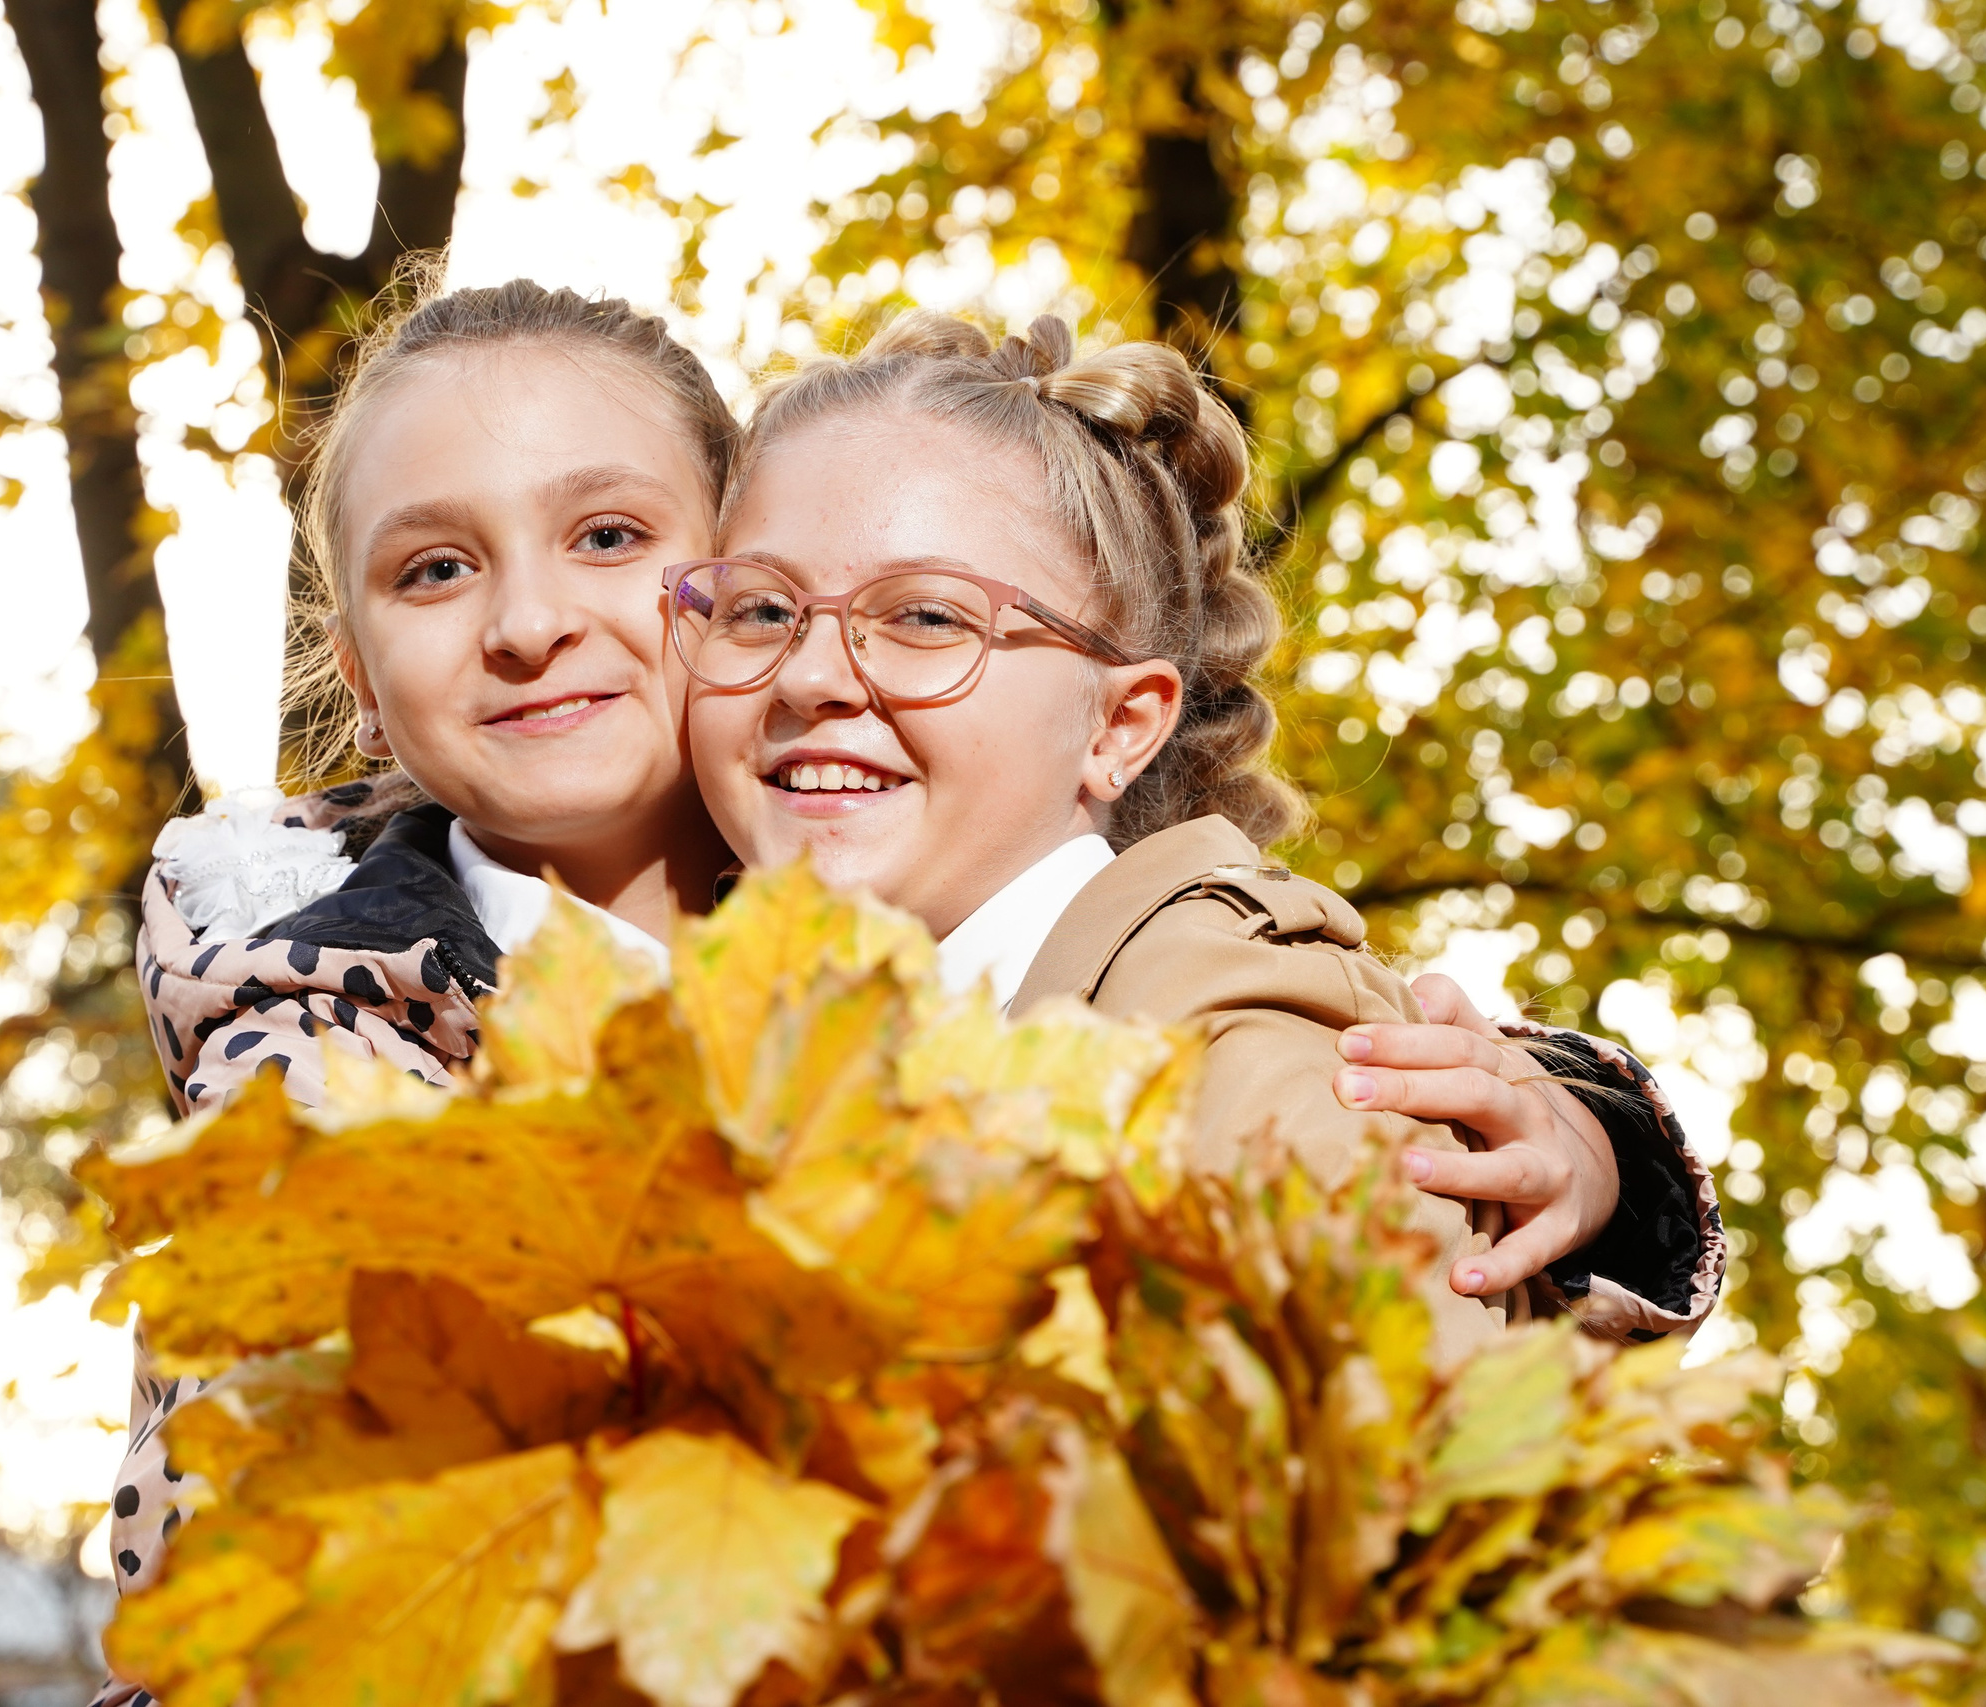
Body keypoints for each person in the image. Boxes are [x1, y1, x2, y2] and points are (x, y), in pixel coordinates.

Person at [94, 282, 1708, 1698]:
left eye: (612, 537)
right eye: (435, 568)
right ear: (361, 678)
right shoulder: (325, 1049)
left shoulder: (1051, 969)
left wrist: (1588, 1131)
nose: (532, 622)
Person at [675, 310, 1720, 1362]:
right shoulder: (751, 1057)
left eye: (928, 618)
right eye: (761, 611)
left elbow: (1412, 1499)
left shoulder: (1248, 1075)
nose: (807, 677)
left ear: (1117, 724)